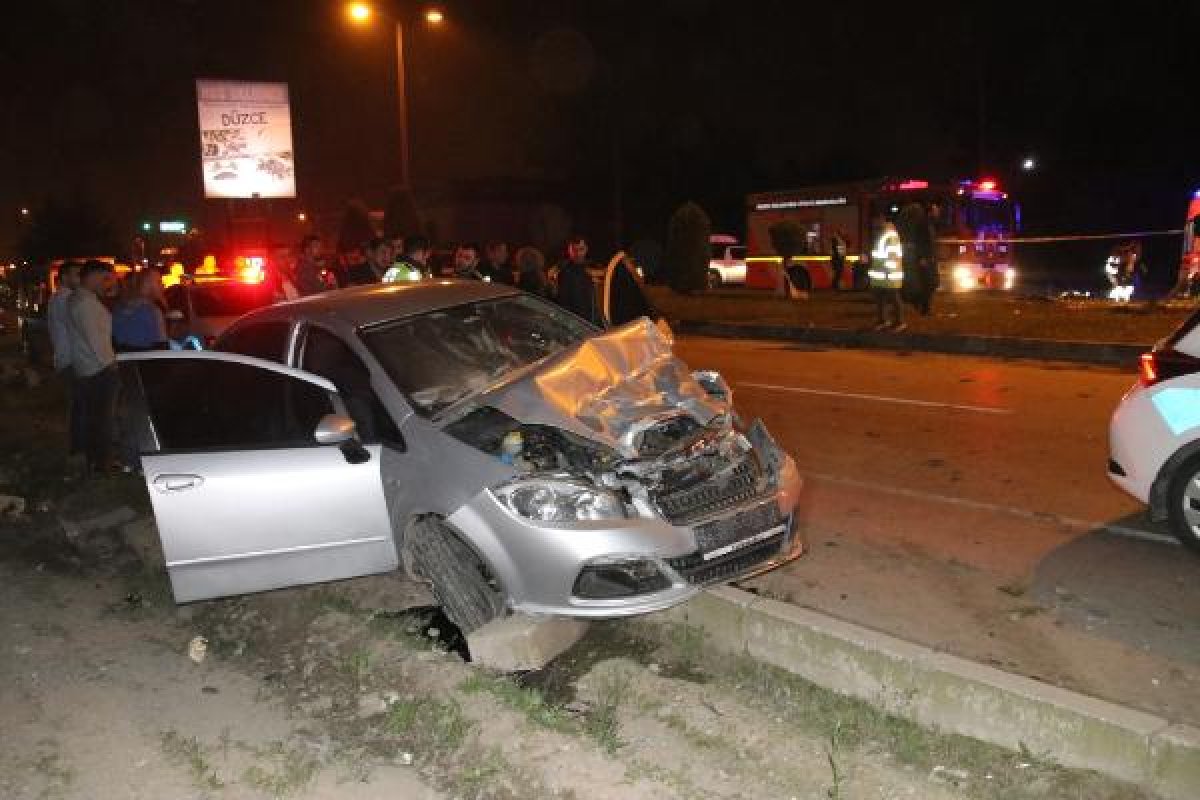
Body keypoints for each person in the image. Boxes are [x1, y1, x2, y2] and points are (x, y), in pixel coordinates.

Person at [66, 260, 118, 474]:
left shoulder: (80, 298)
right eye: (106, 279)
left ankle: (96, 461)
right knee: (102, 419)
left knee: (95, 417)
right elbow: (95, 339)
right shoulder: (85, 303)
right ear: (94, 276)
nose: (108, 284)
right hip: (98, 369)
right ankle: (102, 463)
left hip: (88, 366)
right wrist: (111, 364)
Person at [47, 260, 84, 456]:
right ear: (64, 277)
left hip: (66, 358)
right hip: (72, 359)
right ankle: (79, 448)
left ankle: (78, 448)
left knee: (77, 405)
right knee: (80, 405)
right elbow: (78, 328)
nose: (80, 278)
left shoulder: (58, 298)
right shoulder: (66, 299)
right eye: (76, 275)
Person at [112, 269, 167, 352]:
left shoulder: (118, 308)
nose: (163, 285)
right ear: (146, 284)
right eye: (159, 282)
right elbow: (162, 346)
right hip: (146, 357)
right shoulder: (152, 311)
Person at [868, 217, 905, 331]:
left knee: (894, 299)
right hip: (882, 275)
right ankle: (883, 321)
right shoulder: (882, 234)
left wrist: (888, 270)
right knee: (881, 300)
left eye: (876, 221)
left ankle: (899, 322)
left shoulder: (889, 235)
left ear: (882, 220)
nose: (874, 223)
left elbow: (892, 256)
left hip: (888, 275)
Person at [555, 235, 598, 323]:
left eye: (581, 249)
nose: (578, 254)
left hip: (595, 321)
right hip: (578, 322)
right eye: (574, 250)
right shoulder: (565, 273)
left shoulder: (594, 267)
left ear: (586, 249)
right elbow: (563, 303)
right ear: (569, 250)